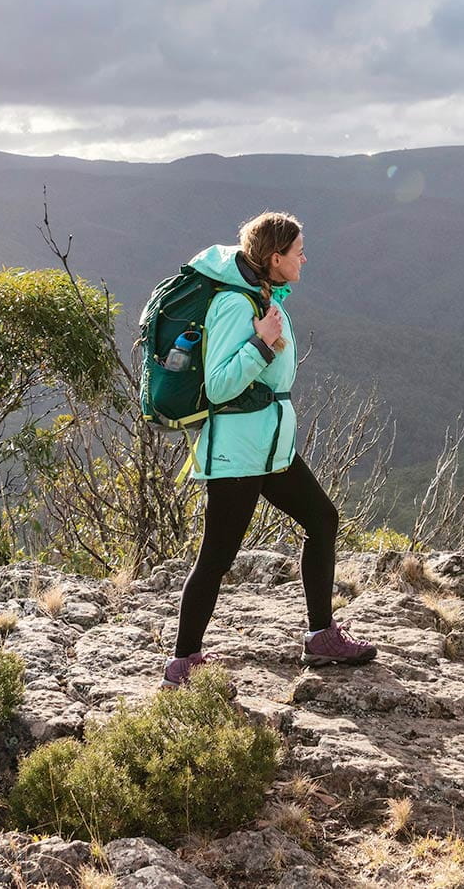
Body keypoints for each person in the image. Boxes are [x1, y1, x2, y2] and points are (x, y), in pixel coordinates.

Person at [162, 211, 377, 689]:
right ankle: (182, 665)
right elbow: (218, 386)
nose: (305, 257)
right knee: (217, 557)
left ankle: (321, 636)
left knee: (322, 519)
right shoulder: (235, 306)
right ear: (275, 257)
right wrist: (261, 343)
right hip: (237, 452)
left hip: (270, 447)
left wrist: (267, 339)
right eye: (298, 250)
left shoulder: (265, 297)